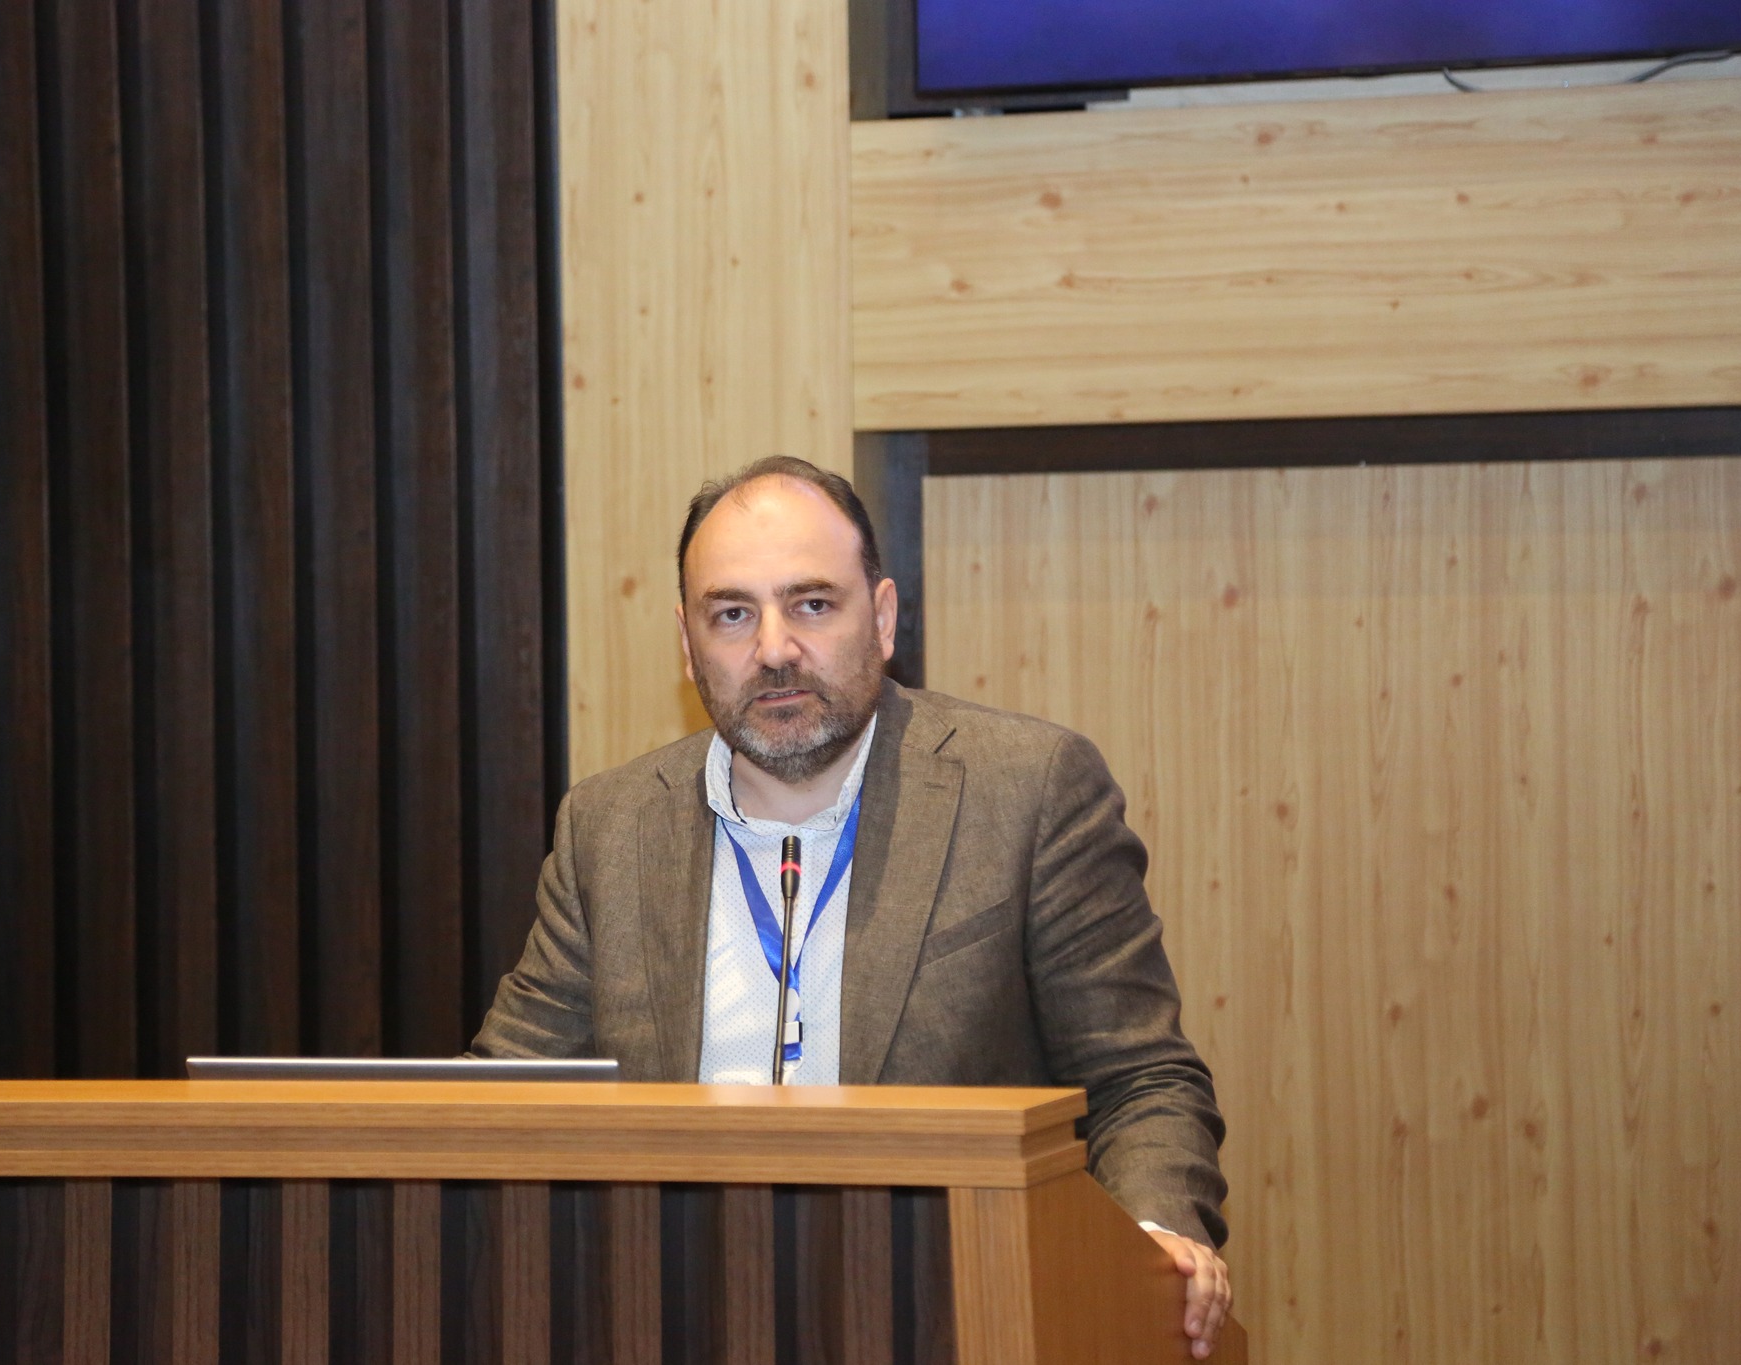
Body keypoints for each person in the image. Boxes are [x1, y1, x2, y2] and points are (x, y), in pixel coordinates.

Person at [472, 456, 1233, 1357]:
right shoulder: (610, 826)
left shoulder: (1027, 793)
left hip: (950, 1313)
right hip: (670, 1315)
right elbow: (504, 1097)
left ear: (881, 616)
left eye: (811, 604)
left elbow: (1139, 1079)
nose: (774, 649)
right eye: (732, 613)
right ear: (687, 641)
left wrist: (1146, 1242)